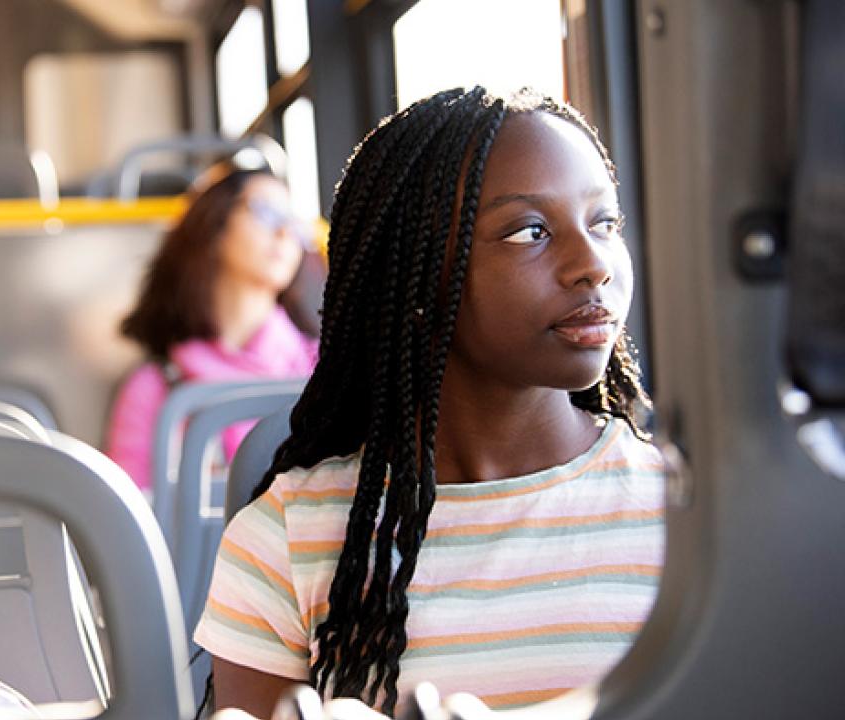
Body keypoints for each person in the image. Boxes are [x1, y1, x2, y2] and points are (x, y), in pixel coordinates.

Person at [193, 87, 665, 717]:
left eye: (604, 224)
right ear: (413, 279)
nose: (593, 264)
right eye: (530, 231)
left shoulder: (689, 511)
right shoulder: (286, 538)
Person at [105, 165, 320, 495]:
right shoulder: (155, 387)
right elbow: (131, 525)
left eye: (293, 223)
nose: (284, 233)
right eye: (266, 212)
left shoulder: (322, 368)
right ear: (214, 226)